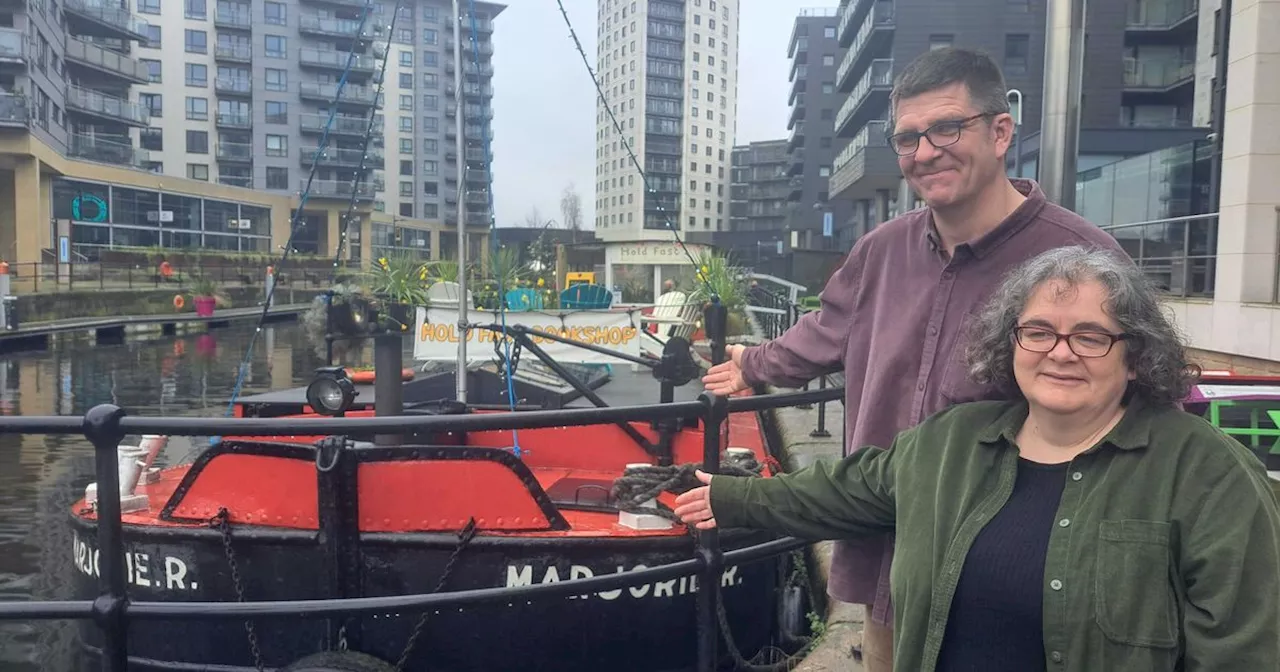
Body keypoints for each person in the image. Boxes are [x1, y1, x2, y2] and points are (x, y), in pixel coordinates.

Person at [701, 47, 1130, 672]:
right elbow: (825, 332)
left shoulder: (1080, 259)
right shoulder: (880, 252)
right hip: (890, 561)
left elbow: (1146, 410)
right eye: (908, 138)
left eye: (947, 128)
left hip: (1012, 580)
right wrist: (752, 365)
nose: (925, 152)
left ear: (1001, 130)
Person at [681, 246, 1280, 672]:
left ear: (1135, 354)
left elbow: (1241, 651)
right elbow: (843, 490)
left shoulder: (1209, 476)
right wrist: (727, 497)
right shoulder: (951, 443)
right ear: (1011, 342)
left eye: (1091, 336)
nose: (1061, 353)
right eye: (1038, 331)